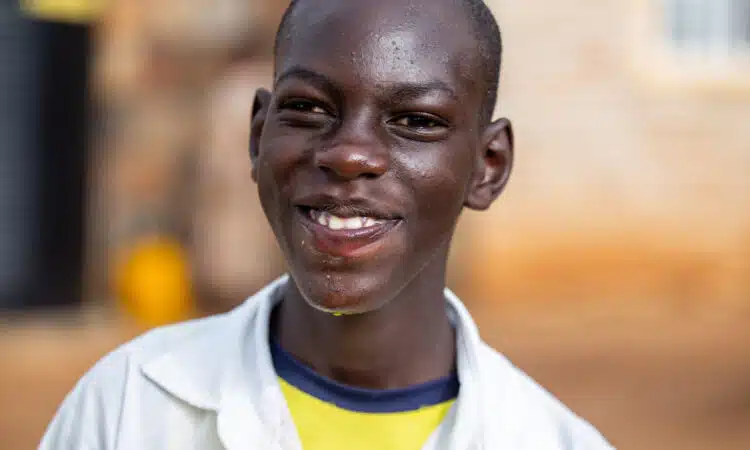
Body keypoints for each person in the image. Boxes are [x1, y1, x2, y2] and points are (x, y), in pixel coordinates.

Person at [40, 0, 615, 449]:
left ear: (488, 167)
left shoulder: (550, 441)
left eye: (416, 120)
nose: (349, 155)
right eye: (309, 109)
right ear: (258, 132)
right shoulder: (128, 406)